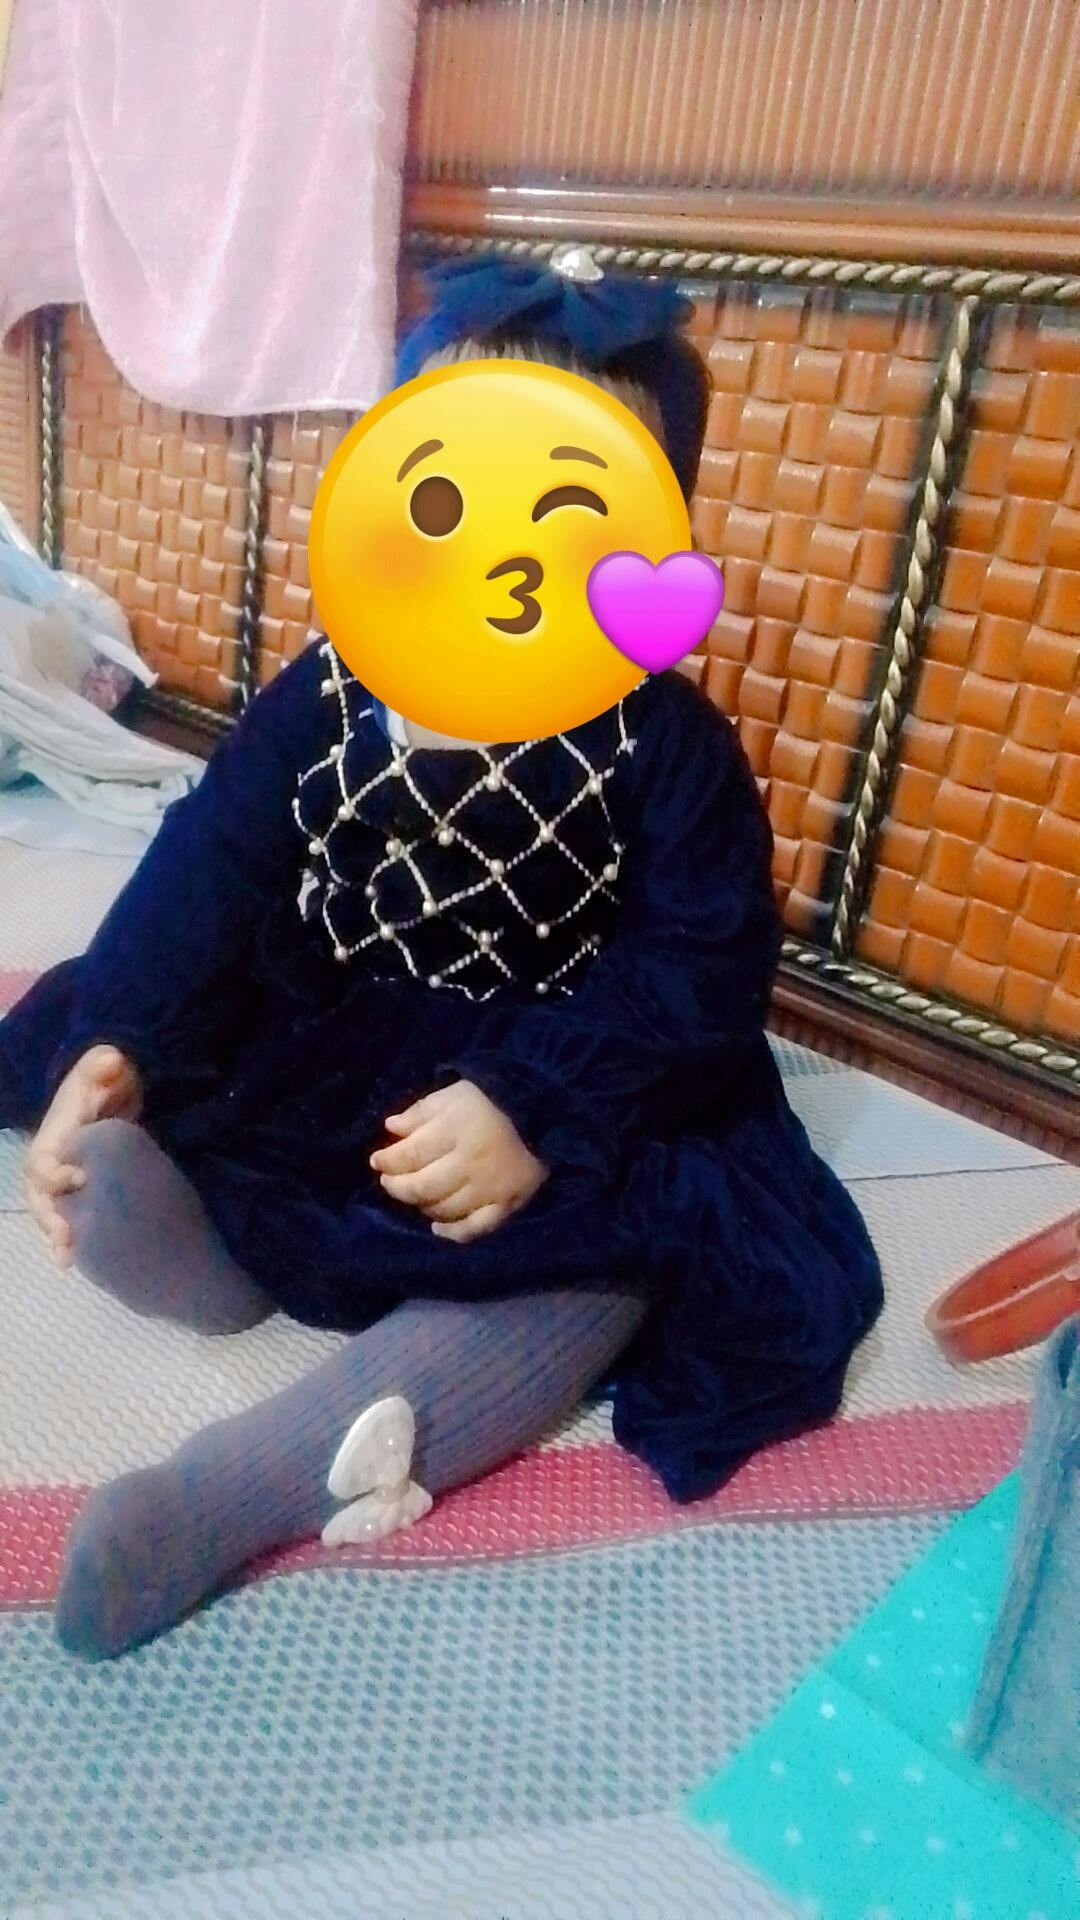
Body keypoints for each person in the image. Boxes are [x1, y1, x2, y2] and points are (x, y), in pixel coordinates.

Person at [0, 251, 882, 1658]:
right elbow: (211, 864)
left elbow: (701, 968)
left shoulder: (665, 745)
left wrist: (538, 1106)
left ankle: (248, 1484)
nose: (503, 559)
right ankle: (211, 1252)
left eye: (568, 515)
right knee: (156, 1041)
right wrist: (119, 1039)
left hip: (567, 1065)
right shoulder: (333, 688)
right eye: (450, 502)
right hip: (341, 1039)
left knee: (621, 1250)